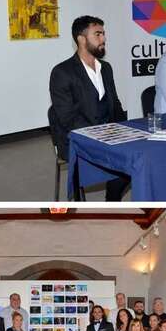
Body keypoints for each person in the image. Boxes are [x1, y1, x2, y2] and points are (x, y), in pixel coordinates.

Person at [49, 15, 129, 201]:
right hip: (77, 139)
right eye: (98, 34)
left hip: (107, 135)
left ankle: (112, 200)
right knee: (120, 161)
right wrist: (100, 134)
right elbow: (68, 118)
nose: (103, 39)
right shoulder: (62, 72)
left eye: (103, 34)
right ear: (81, 39)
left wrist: (125, 131)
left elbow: (114, 105)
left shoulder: (106, 68)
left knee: (136, 161)